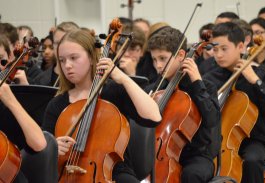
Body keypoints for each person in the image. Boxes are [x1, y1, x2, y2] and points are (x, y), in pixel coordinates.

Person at [41, 29, 161, 182]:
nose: (67, 65)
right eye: (62, 60)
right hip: (69, 173)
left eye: (73, 58)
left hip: (114, 173)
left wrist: (123, 78)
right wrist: (53, 147)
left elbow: (154, 117)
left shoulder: (113, 92)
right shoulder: (57, 104)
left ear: (92, 58)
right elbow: (42, 149)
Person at [204, 22, 265, 183]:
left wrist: (255, 81)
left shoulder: (260, 75)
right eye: (215, 49)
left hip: (252, 140)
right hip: (217, 141)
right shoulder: (209, 79)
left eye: (224, 49)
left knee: (252, 162)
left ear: (240, 46)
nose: (218, 54)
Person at [147, 26, 220, 183]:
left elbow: (212, 119)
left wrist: (197, 83)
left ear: (181, 55)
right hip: (160, 152)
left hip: (195, 155)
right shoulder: (157, 87)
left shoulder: (205, 86)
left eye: (162, 58)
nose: (158, 65)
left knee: (191, 176)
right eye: (154, 59)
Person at [0, 35, 58, 183]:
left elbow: (39, 143)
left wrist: (11, 101)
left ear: (9, 61)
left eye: (1, 59)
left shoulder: (9, 104)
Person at [33, 21, 79, 86]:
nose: (60, 48)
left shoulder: (87, 79)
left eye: (65, 43)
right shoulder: (39, 79)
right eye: (57, 43)